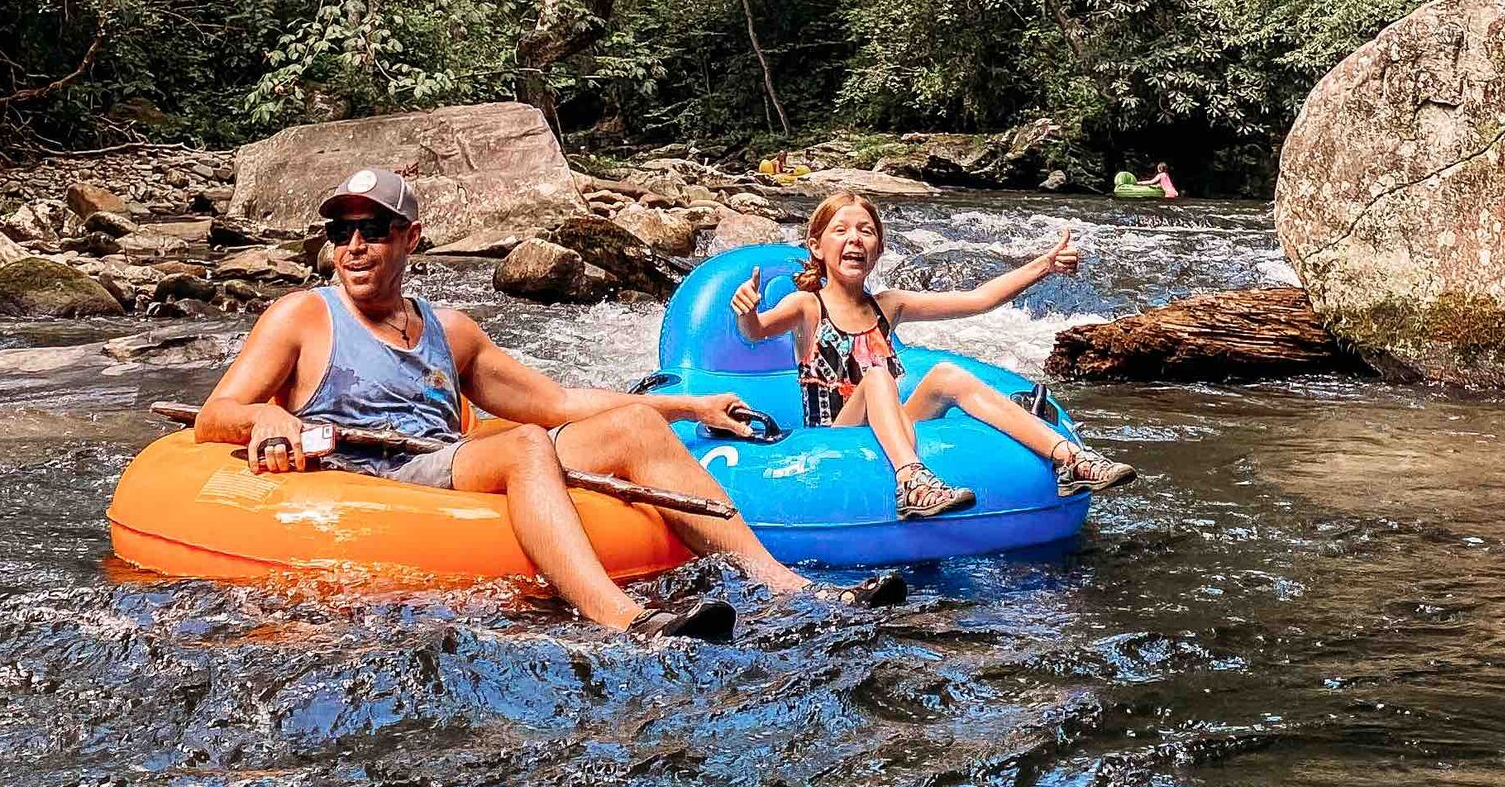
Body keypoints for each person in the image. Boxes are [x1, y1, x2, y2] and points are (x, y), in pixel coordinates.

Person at [190, 163, 898, 643]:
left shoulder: (452, 330)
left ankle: (791, 588)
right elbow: (215, 415)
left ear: (410, 238)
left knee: (628, 419)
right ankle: (625, 622)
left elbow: (555, 400)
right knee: (523, 444)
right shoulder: (301, 318)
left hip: (444, 464)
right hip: (371, 474)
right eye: (339, 231)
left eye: (371, 229)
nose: (351, 245)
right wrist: (270, 416)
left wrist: (690, 407)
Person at [732, 192, 1135, 519]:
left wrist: (1043, 265)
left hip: (889, 427)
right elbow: (756, 331)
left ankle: (1069, 458)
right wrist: (748, 311)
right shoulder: (807, 306)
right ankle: (911, 482)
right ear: (817, 247)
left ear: (878, 250)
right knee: (877, 377)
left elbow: (978, 300)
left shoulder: (888, 306)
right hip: (833, 437)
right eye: (841, 230)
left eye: (866, 231)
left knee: (946, 375)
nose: (855, 238)